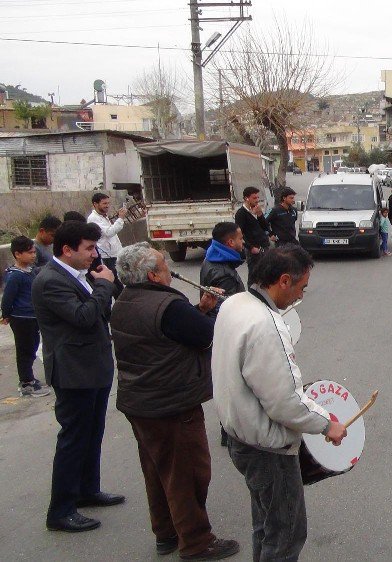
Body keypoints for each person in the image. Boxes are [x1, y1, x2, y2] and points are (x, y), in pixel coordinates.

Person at [212, 246, 347, 561]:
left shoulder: (234, 303)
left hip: (240, 435)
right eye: (301, 289)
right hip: (267, 449)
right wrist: (328, 424)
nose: (300, 297)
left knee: (266, 525)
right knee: (286, 535)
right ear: (284, 281)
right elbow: (285, 403)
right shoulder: (266, 325)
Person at [110, 243, 240, 559]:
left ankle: (166, 534)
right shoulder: (168, 305)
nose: (171, 270)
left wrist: (202, 309)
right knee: (187, 473)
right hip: (171, 403)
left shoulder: (125, 300)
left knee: (158, 470)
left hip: (140, 400)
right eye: (165, 266)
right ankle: (196, 541)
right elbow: (209, 336)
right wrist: (223, 316)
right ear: (154, 275)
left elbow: (168, 335)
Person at [32, 221, 124, 533]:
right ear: (67, 250)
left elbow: (101, 313)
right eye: (88, 248)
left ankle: (86, 490)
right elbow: (83, 318)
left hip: (93, 367)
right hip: (73, 372)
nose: (94, 254)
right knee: (73, 439)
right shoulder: (51, 281)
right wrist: (104, 286)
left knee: (92, 433)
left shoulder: (81, 275)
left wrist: (104, 285)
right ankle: (61, 510)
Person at [2, 236, 51, 397]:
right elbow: (8, 297)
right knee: (24, 349)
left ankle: (29, 378)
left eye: (34, 252)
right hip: (21, 318)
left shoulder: (29, 271)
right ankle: (26, 383)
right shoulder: (15, 275)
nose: (33, 255)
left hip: (32, 316)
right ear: (17, 254)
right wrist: (6, 314)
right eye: (29, 253)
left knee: (32, 346)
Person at [200, 222, 247, 313]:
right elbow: (228, 312)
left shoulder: (210, 258)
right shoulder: (224, 275)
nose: (243, 241)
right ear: (231, 242)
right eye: (240, 238)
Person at [234, 187, 271, 282]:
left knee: (265, 273)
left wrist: (260, 215)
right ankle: (251, 294)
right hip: (253, 249)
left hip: (264, 246)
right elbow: (239, 234)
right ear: (247, 198)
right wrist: (250, 247)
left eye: (258, 198)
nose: (257, 200)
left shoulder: (257, 210)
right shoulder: (241, 213)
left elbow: (265, 227)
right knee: (254, 275)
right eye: (254, 198)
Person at [87, 192, 127, 276]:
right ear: (95, 204)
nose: (107, 205)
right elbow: (109, 232)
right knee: (113, 279)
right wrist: (120, 219)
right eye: (104, 203)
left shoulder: (103, 216)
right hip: (106, 256)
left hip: (113, 253)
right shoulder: (93, 218)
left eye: (108, 203)